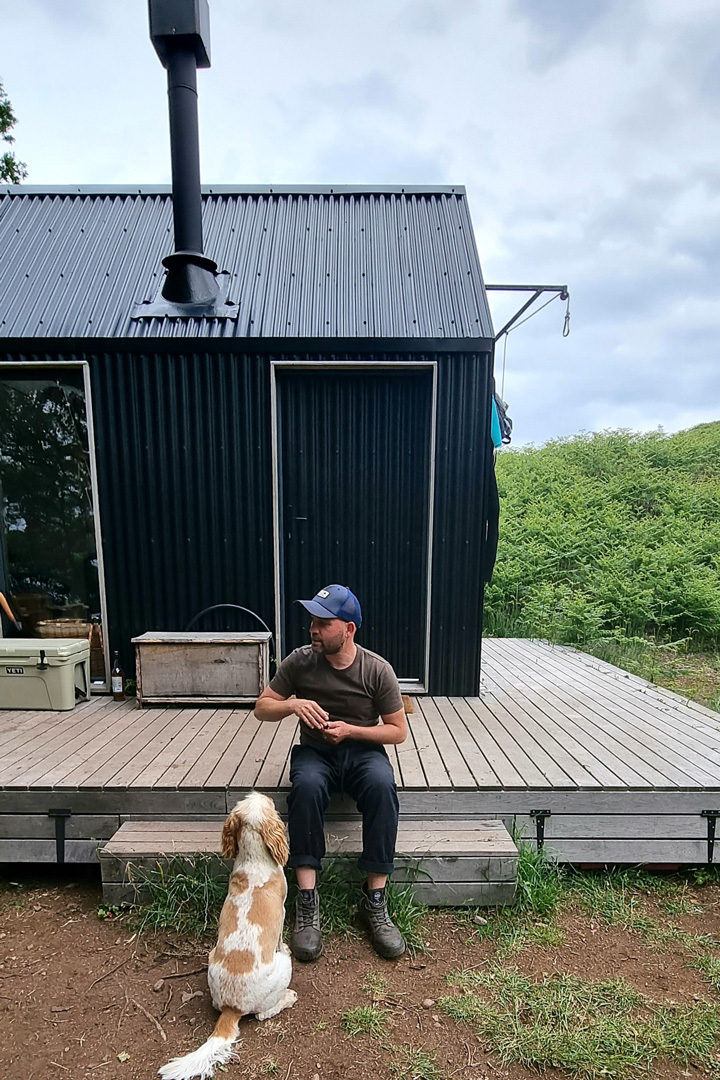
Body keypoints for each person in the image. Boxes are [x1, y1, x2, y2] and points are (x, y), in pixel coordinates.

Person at [254, 584, 408, 961]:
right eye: (312, 621)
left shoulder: (377, 669)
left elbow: (398, 731)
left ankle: (374, 900)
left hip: (362, 751)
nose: (313, 629)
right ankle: (307, 902)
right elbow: (261, 707)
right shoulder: (300, 662)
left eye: (323, 623)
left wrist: (352, 730)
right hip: (316, 754)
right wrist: (292, 704)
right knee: (304, 787)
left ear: (349, 629)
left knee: (383, 787)